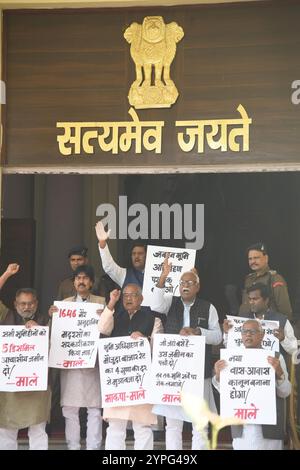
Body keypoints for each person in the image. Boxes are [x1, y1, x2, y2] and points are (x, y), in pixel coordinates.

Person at [150, 256, 222, 450]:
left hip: (200, 374)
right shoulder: (170, 303)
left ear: (198, 287)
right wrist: (163, 277)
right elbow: (155, 305)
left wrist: (198, 332)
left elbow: (217, 337)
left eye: (190, 283)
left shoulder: (209, 307)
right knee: (172, 423)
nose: (185, 286)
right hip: (173, 374)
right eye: (182, 283)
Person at [98, 284, 161, 450]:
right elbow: (102, 328)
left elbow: (159, 348)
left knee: (142, 427)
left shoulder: (153, 320)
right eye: (125, 295)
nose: (128, 298)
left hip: (141, 381)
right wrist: (112, 302)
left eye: (133, 295)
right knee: (115, 428)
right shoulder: (116, 315)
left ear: (141, 298)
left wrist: (144, 339)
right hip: (118, 380)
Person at [49, 264, 105, 450]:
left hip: (92, 363)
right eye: (78, 278)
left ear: (91, 282)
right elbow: (54, 334)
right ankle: (73, 446)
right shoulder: (64, 304)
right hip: (70, 363)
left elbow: (108, 330)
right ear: (74, 283)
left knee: (94, 409)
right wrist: (52, 318)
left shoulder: (101, 302)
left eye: (85, 278)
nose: (81, 281)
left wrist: (105, 316)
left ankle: (94, 447)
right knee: (69, 409)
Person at [213, 319, 291, 450]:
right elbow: (227, 393)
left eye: (253, 331)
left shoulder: (275, 358)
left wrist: (279, 374)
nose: (248, 335)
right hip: (242, 430)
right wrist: (218, 377)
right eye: (244, 331)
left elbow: (285, 392)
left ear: (262, 335)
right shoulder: (232, 359)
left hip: (269, 432)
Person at [0, 286, 51, 450]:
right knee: (7, 429)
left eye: (30, 303)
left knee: (38, 429)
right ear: (15, 304)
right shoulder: (6, 315)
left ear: (36, 304)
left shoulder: (45, 320)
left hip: (36, 387)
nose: (26, 307)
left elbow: (57, 348)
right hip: (10, 389)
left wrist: (40, 332)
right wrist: (7, 274)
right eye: (22, 303)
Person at [224, 282, 297, 356]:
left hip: (272, 365)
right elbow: (230, 346)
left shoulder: (281, 320)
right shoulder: (241, 320)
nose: (251, 302)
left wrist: (283, 340)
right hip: (247, 365)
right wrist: (227, 333)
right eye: (250, 299)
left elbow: (294, 350)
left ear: (266, 300)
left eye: (255, 299)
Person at [239, 242, 293, 320]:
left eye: (256, 258)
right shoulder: (248, 279)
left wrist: (283, 327)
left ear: (266, 258)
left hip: (267, 325)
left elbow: (284, 310)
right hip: (248, 324)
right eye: (250, 259)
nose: (252, 261)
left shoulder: (275, 278)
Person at [95, 220, 146, 289]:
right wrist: (102, 242)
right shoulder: (124, 274)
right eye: (134, 254)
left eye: (140, 253)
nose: (136, 256)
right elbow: (109, 267)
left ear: (146, 255)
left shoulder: (155, 273)